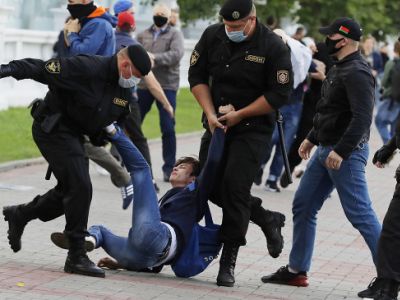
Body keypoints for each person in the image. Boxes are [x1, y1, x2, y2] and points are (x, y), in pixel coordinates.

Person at [1, 44, 152, 278]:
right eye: (137, 77)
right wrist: (8, 69)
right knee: (81, 186)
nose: (136, 83)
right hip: (52, 127)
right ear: (125, 66)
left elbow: (117, 121)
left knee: (70, 191)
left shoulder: (123, 94)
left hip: (75, 137)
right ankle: (77, 254)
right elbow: (42, 69)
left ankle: (20, 214)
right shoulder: (88, 66)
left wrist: (104, 134)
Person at [261, 17, 382, 287]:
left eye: (331, 36)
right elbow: (331, 110)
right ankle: (297, 270)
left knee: (360, 214)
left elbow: (362, 118)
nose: (325, 40)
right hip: (326, 149)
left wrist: (341, 151)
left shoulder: (358, 72)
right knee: (303, 205)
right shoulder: (340, 68)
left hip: (344, 154)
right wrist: (312, 138)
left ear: (345, 40)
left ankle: (391, 275)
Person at [189, 0, 292, 287]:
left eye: (237, 26)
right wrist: (210, 114)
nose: (231, 30)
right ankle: (266, 217)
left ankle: (228, 260)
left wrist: (240, 115)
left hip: (252, 127)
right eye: (227, 25)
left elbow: (279, 93)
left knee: (235, 188)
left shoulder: (273, 46)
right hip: (217, 123)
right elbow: (196, 75)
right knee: (209, 185)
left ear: (252, 19)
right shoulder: (212, 35)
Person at [50, 124, 225, 274]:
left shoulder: (195, 195)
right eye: (176, 165)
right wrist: (123, 264)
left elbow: (213, 162)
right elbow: (155, 264)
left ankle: (113, 130)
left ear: (193, 179)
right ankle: (83, 243)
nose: (176, 168)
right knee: (100, 231)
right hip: (143, 257)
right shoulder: (170, 198)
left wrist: (218, 130)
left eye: (183, 167)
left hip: (156, 239)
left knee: (142, 170)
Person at [64, 0, 135, 203]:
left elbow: (81, 55)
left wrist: (72, 34)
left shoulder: (98, 24)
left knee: (79, 139)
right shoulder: (82, 21)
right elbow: (65, 54)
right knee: (77, 140)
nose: (70, 3)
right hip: (77, 90)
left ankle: (123, 178)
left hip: (89, 92)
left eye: (73, 0)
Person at [113, 11, 174, 194]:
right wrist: (166, 103)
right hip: (127, 98)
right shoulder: (134, 48)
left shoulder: (108, 39)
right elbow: (152, 83)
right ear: (133, 27)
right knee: (137, 138)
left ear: (117, 26)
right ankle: (148, 181)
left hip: (104, 96)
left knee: (102, 133)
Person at [136, 3, 185, 181]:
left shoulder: (175, 34)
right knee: (133, 121)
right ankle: (119, 157)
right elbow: (135, 52)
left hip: (167, 85)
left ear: (168, 16)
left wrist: (154, 57)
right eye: (156, 14)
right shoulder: (143, 34)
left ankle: (169, 167)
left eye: (162, 14)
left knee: (167, 127)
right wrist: (144, 57)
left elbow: (176, 55)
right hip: (145, 84)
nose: (159, 17)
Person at [374, 41, 400, 144]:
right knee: (394, 127)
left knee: (379, 121)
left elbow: (384, 82)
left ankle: (387, 145)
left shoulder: (392, 62)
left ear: (394, 49)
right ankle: (391, 147)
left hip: (392, 97)